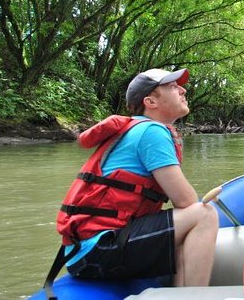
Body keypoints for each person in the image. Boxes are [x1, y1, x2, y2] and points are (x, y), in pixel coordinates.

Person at [52, 68, 218, 290]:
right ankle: (194, 297)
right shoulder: (152, 132)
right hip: (98, 250)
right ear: (150, 101)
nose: (182, 89)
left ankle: (182, 292)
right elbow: (186, 201)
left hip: (83, 252)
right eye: (172, 86)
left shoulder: (140, 129)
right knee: (204, 215)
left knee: (190, 220)